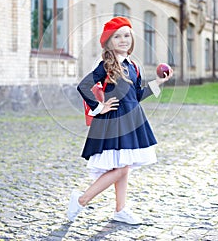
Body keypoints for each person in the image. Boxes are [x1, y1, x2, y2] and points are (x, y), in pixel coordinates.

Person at [67, 16, 173, 224]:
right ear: (109, 41)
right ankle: (81, 200)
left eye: (126, 35)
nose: (123, 40)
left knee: (125, 165)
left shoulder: (133, 66)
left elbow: (137, 95)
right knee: (122, 167)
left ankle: (120, 210)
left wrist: (159, 82)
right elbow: (84, 85)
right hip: (114, 120)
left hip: (132, 120)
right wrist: (100, 106)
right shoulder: (106, 65)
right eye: (117, 36)